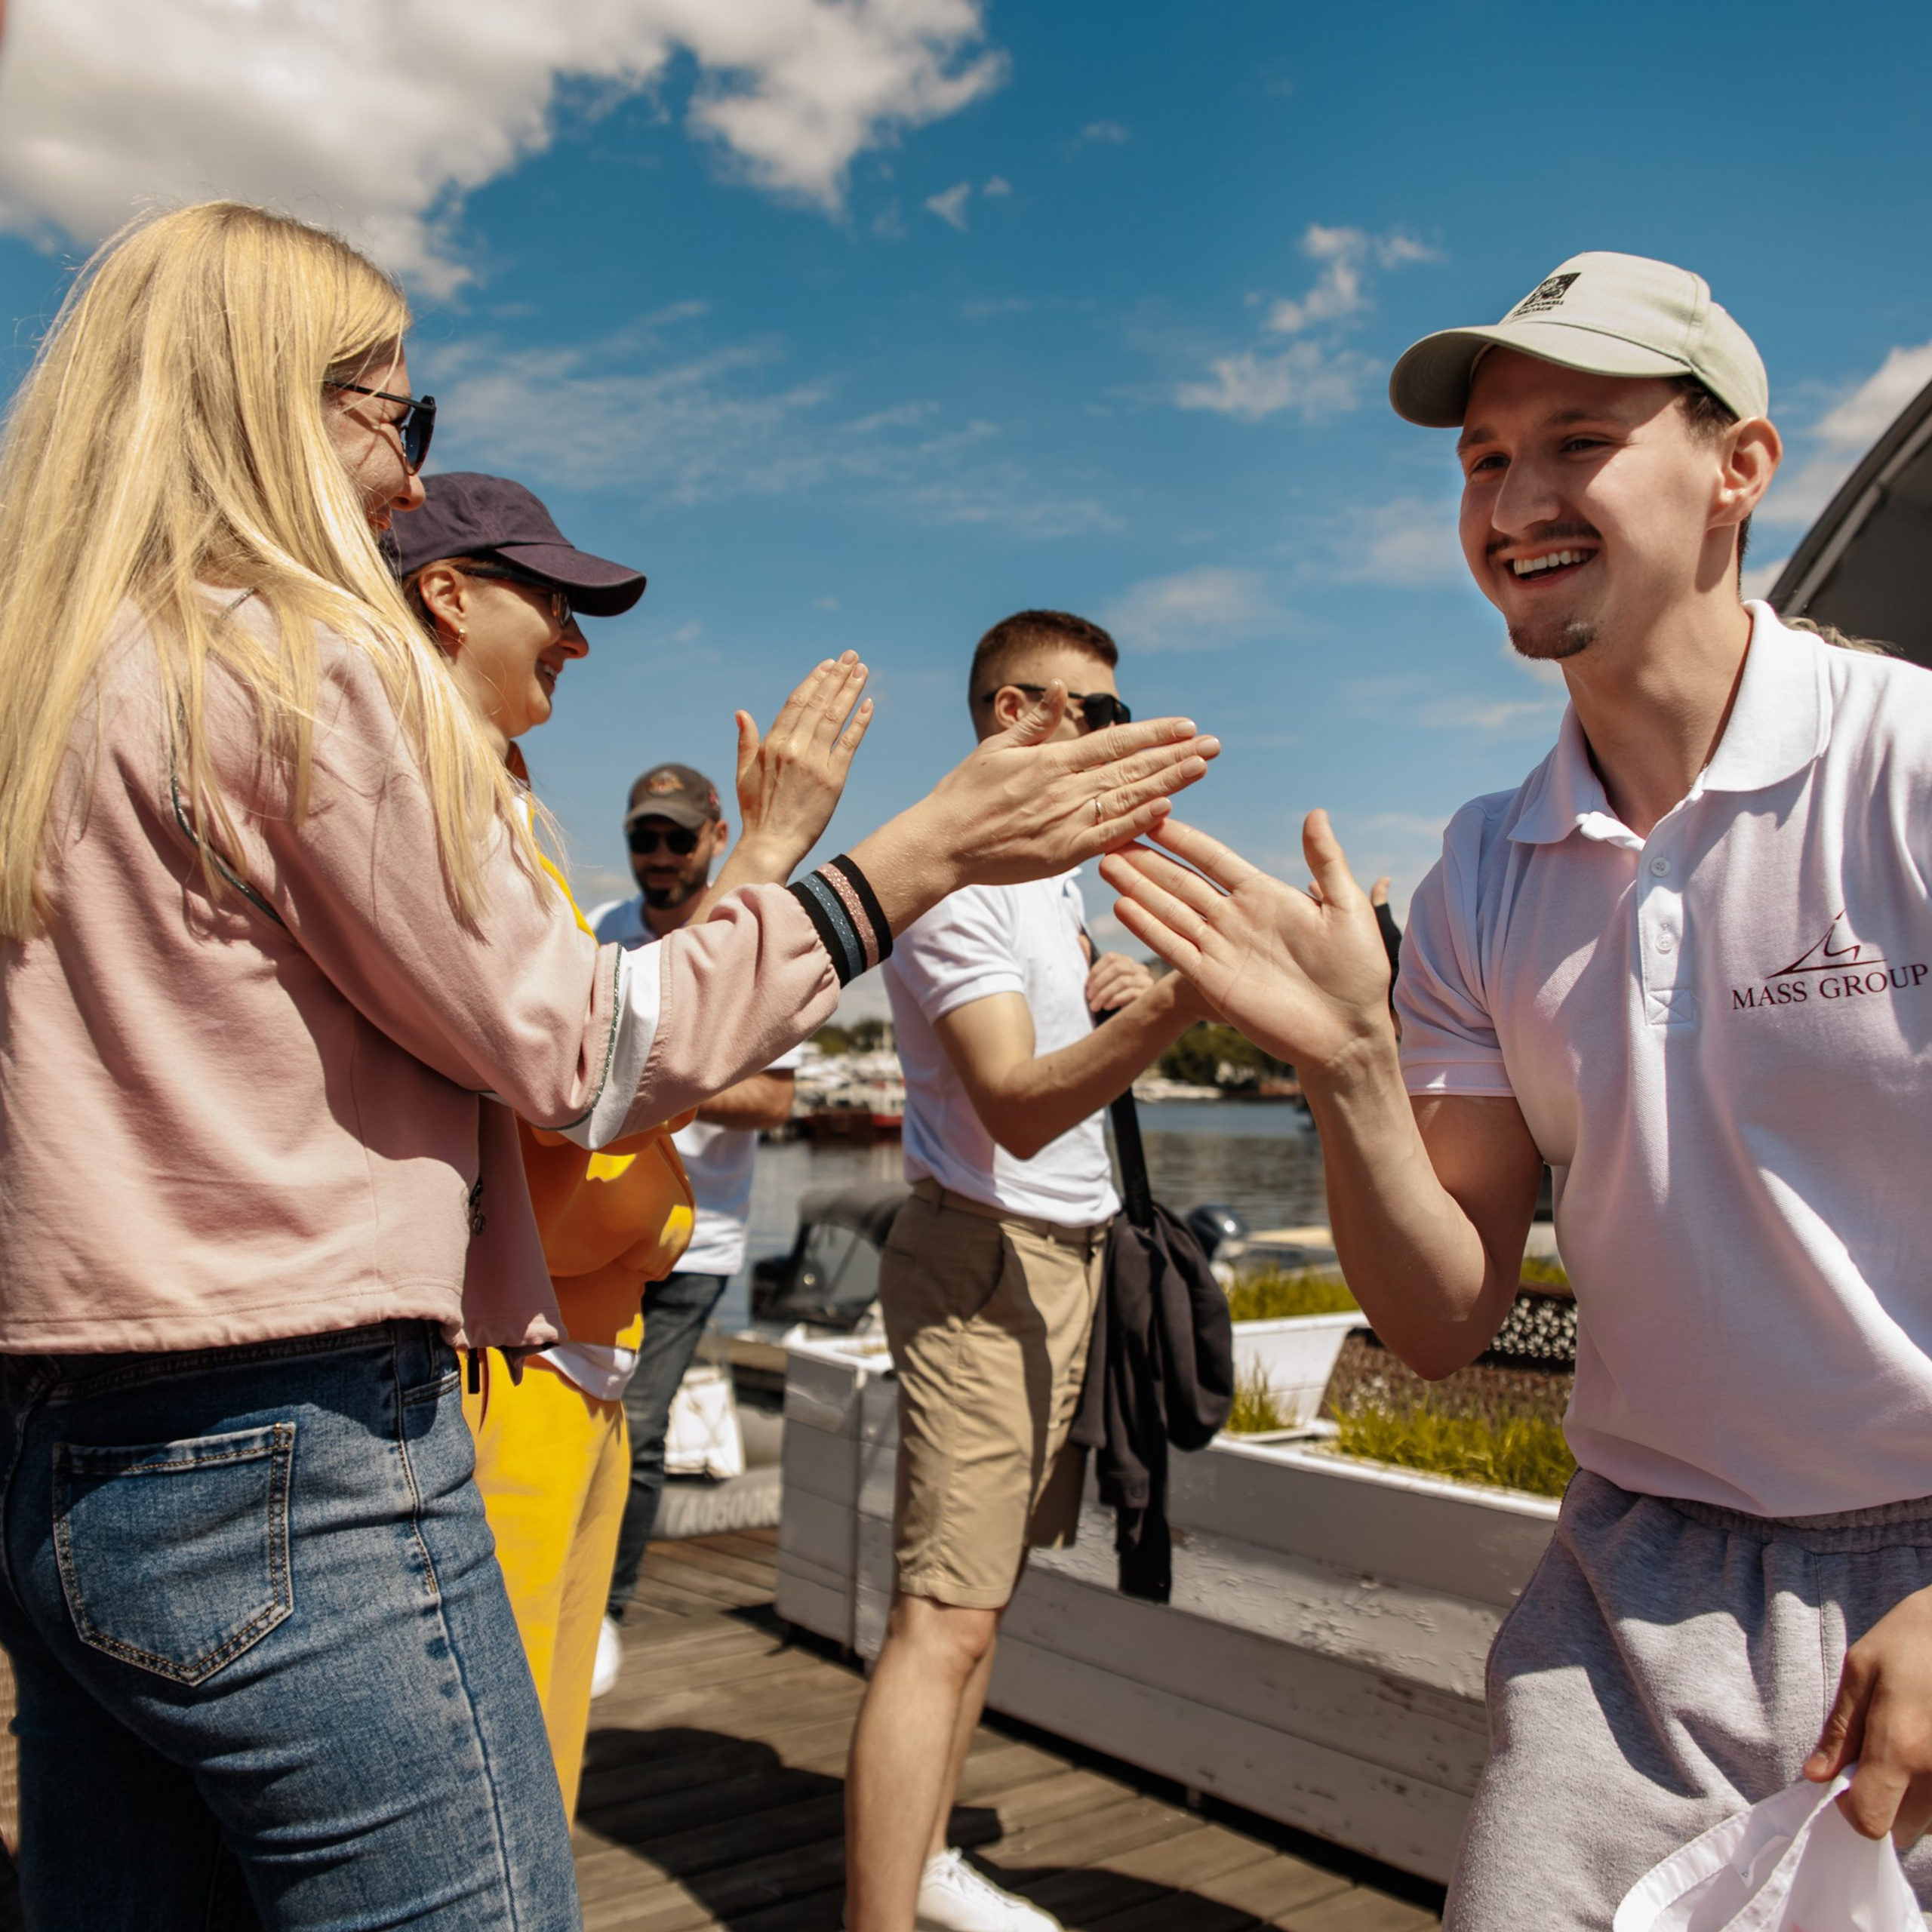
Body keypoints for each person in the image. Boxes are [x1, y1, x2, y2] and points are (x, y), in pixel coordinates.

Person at [0, 200, 1218, 1928]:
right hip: (295, 1443)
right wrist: (903, 860)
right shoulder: (295, 661)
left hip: (64, 1448)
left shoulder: (59, 671)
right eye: (384, 411)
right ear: (264, 402)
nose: (403, 471)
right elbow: (587, 1047)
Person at [1100, 251, 1932, 1928]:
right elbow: (1438, 1317)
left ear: (1738, 467)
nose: (1513, 500)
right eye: (1482, 458)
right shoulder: (1482, 867)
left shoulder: (1905, 764)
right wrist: (1343, 1067)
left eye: (1576, 441)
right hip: (1631, 1584)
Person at [392, 472, 867, 1814]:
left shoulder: (491, 807)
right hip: (506, 1361)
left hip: (576, 1341)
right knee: (493, 1785)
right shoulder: (432, 810)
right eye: (549, 600)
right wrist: (773, 857)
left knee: (537, 1745)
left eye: (679, 836)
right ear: (445, 595)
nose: (576, 636)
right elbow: (580, 1070)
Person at [844, 611, 1214, 1932]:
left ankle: (927, 1856)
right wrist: (1185, 997)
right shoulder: (962, 881)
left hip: (1053, 1263)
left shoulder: (1041, 888)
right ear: (1015, 715)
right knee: (940, 1617)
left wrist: (1115, 988)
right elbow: (1014, 1103)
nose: (1113, 736)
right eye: (1094, 713)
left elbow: (1042, 1059)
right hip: (985, 1267)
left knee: (979, 1608)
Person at [587, 765, 801, 1673]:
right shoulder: (599, 931)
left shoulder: (751, 938)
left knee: (636, 1427)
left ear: (718, 835)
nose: (661, 857)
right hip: (594, 1225)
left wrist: (655, 1073)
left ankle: (607, 1609)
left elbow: (775, 1101)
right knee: (573, 1413)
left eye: (680, 838)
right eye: (646, 838)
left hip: (698, 1238)